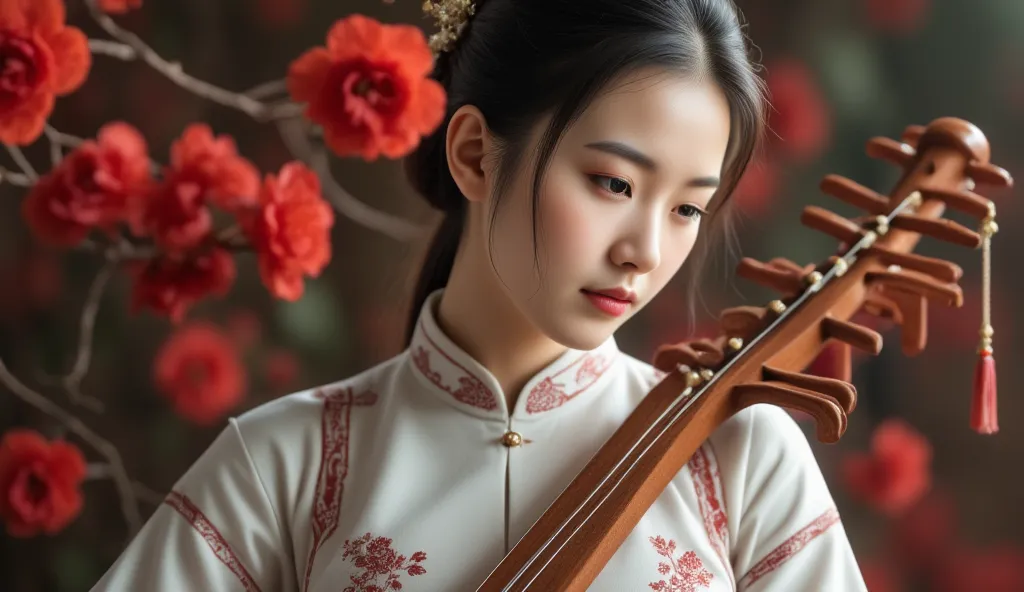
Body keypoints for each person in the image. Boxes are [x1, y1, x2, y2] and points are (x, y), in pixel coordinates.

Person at [92, 0, 867, 590]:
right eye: (613, 183)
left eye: (687, 208)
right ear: (473, 155)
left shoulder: (737, 457)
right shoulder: (287, 464)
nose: (646, 250)